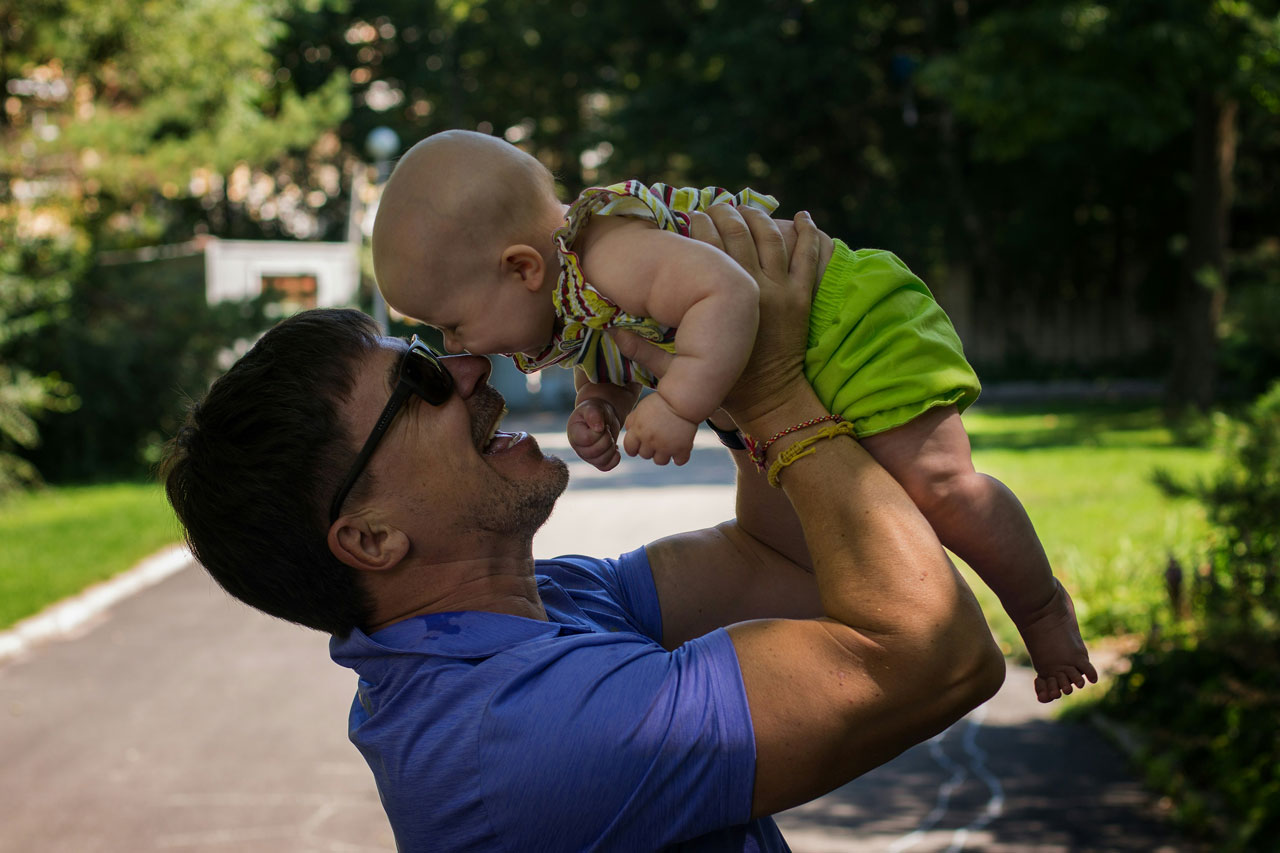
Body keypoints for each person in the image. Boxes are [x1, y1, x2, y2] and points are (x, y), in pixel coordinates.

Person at [163, 205, 1005, 852]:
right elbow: (941, 657)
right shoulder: (520, 737)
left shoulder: (534, 609)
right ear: (371, 536)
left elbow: (780, 561)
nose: (467, 364)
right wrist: (779, 391)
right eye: (417, 377)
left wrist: (716, 362)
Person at [371, 129, 1097, 703]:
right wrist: (603, 402)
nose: (456, 349)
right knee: (812, 539)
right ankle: (922, 603)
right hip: (804, 349)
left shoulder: (608, 253)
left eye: (454, 325)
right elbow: (619, 351)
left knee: (937, 488)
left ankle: (1041, 608)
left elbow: (727, 294)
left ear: (523, 267)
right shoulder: (573, 302)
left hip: (848, 324)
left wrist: (681, 400)